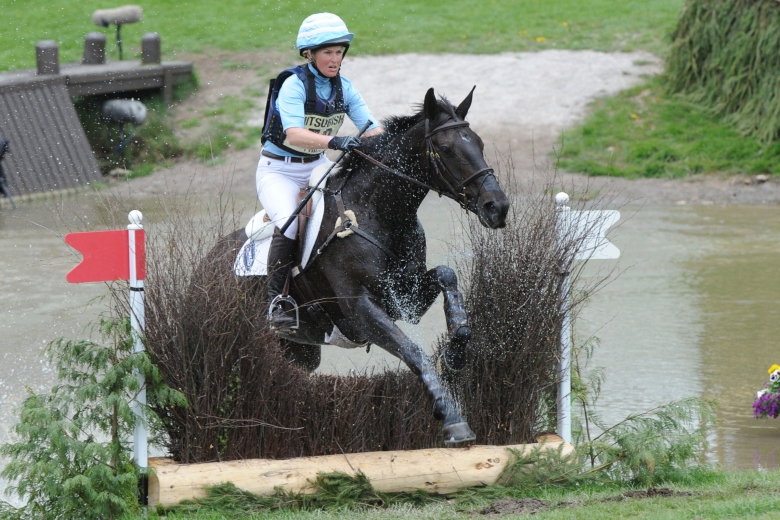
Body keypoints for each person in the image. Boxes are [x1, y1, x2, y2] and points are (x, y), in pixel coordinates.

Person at [258, 12, 384, 329]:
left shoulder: (345, 88)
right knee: (289, 223)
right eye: (327, 52)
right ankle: (277, 302)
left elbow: (370, 128)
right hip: (279, 172)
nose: (335, 58)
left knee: (353, 205)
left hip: (317, 166)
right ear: (309, 54)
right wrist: (335, 140)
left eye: (339, 52)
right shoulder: (293, 85)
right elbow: (294, 135)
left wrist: (393, 145)